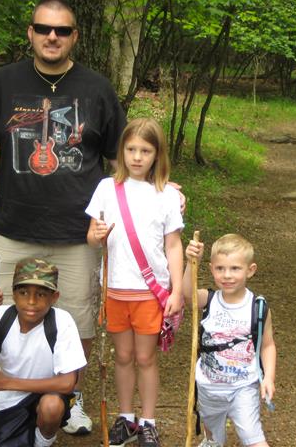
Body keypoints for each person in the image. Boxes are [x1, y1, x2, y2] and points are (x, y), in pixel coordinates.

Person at [0, 0, 127, 434]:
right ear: (30, 33)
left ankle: (67, 397)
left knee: (77, 316)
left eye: (62, 31)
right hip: (12, 230)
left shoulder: (97, 89)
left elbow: (121, 160)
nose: (51, 36)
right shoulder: (2, 84)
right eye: (43, 28)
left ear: (75, 36)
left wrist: (158, 193)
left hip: (79, 233)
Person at [85, 118, 184, 447]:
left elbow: (173, 245)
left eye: (145, 150)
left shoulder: (166, 195)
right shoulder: (105, 188)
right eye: (131, 149)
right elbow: (91, 237)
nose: (137, 157)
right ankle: (126, 417)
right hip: (115, 290)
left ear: (157, 155)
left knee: (146, 358)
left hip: (149, 293)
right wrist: (96, 234)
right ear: (121, 151)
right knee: (122, 356)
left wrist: (177, 291)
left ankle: (149, 421)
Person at [0, 257, 86, 446]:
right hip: (7, 400)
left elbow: (67, 383)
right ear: (13, 294)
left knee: (51, 407)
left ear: (54, 297)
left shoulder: (62, 322)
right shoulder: (1, 317)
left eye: (41, 294)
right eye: (23, 292)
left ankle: (42, 441)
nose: (31, 301)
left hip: (47, 394)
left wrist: (8, 382)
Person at [182, 234, 276, 447]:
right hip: (208, 387)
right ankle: (212, 441)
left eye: (235, 268)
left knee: (253, 438)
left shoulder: (257, 308)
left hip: (243, 387)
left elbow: (267, 345)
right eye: (220, 268)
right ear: (211, 268)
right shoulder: (210, 299)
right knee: (213, 438)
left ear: (250, 270)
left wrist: (268, 377)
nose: (227, 275)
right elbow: (187, 296)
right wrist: (190, 263)